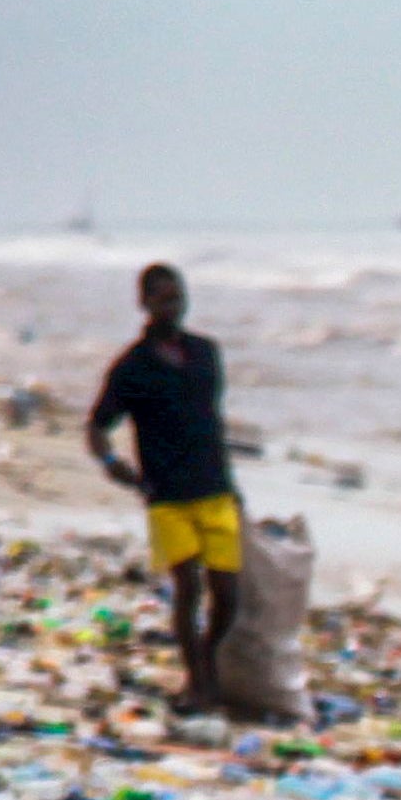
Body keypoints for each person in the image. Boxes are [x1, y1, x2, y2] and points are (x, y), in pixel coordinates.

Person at [86, 263, 241, 716]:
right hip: (167, 495)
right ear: (145, 303)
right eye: (163, 298)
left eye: (178, 297)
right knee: (188, 587)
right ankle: (199, 683)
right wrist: (112, 464)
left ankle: (206, 660)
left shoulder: (206, 353)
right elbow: (97, 426)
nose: (172, 306)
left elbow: (212, 421)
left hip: (214, 487)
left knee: (228, 594)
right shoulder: (132, 367)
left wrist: (234, 486)